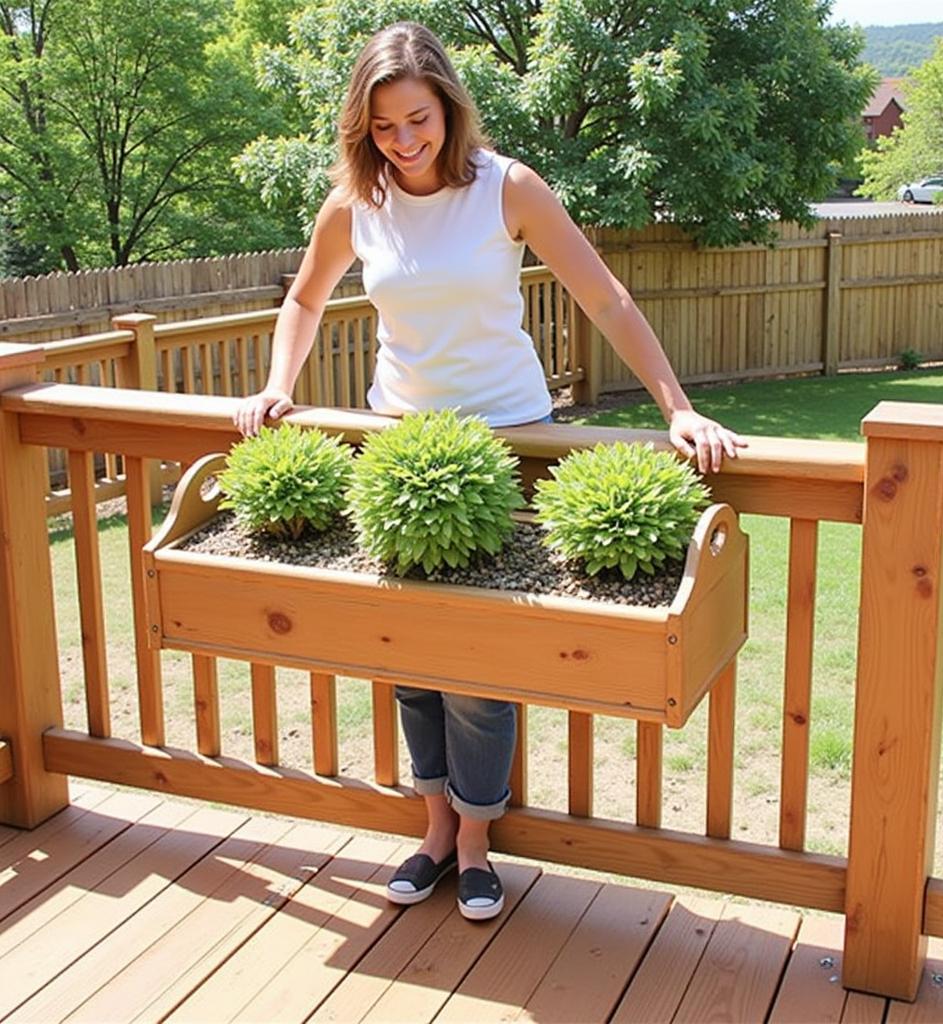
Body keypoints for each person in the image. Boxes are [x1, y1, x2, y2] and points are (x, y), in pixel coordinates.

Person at [235, 20, 746, 922]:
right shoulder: (355, 202)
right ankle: (433, 829)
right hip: (396, 450)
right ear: (363, 128)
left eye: (418, 120)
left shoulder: (506, 186)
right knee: (408, 658)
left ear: (449, 107)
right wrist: (279, 385)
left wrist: (677, 406)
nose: (404, 141)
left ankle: (474, 840)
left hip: (510, 444)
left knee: (477, 664)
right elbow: (306, 297)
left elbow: (605, 294)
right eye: (385, 127)